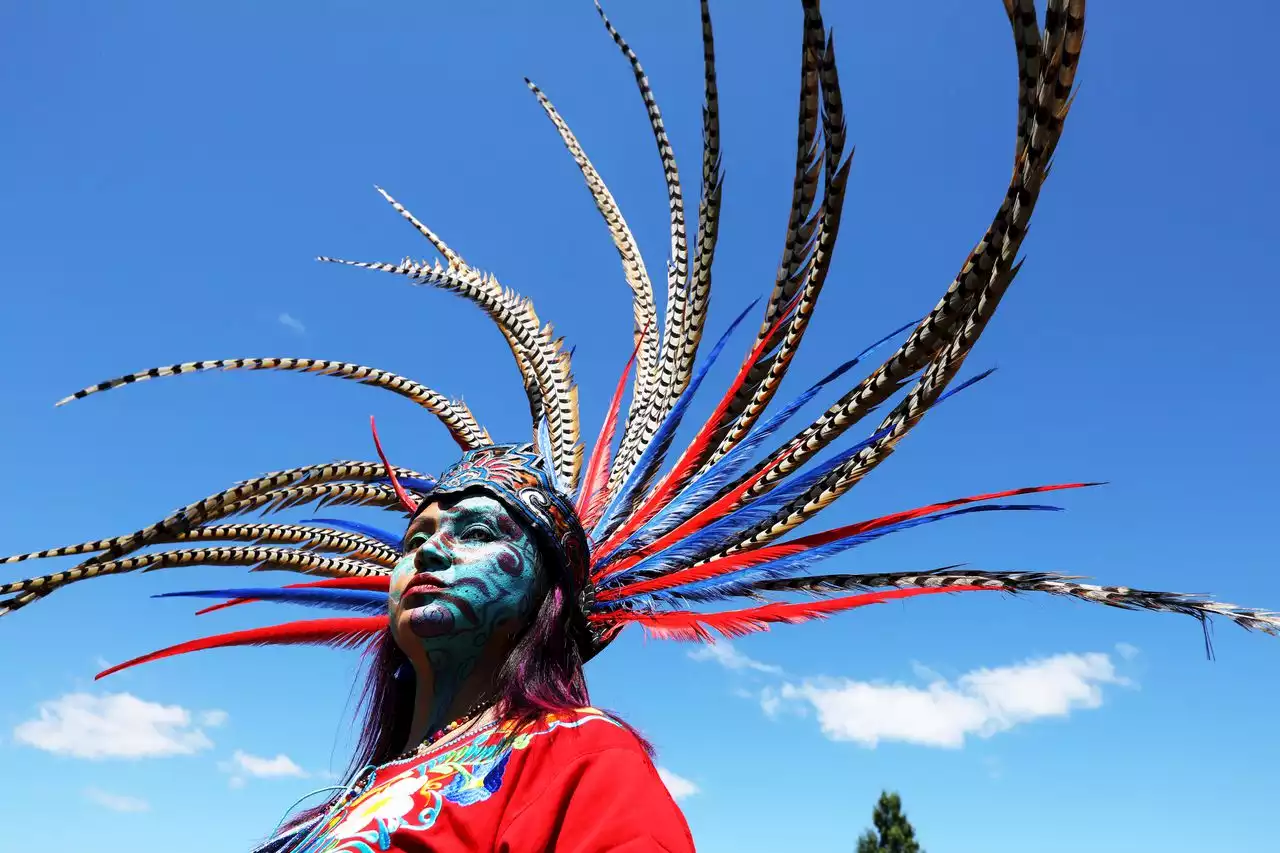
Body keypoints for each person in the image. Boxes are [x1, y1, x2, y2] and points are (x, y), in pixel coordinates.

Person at [3, 0, 1277, 850]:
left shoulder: (586, 768)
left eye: (479, 530)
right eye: (423, 525)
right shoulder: (364, 791)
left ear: (547, 592)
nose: (432, 542)